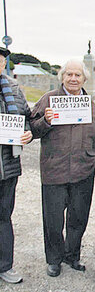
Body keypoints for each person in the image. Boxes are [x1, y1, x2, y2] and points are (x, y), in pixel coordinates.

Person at [30, 60, 95, 277]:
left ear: (84, 79)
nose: (73, 78)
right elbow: (32, 128)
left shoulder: (90, 104)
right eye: (69, 74)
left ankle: (72, 255)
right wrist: (46, 121)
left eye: (77, 75)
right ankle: (54, 259)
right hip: (54, 170)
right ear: (62, 77)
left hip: (83, 170)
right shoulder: (48, 99)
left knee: (78, 217)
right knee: (53, 220)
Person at [0, 47, 33, 284]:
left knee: (3, 216)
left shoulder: (14, 89)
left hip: (8, 166)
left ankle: (5, 265)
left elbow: (27, 119)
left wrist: (28, 134)